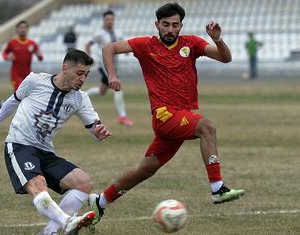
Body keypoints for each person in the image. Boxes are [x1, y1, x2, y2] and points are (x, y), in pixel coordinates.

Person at [87, 2, 245, 231]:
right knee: (207, 127)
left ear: (181, 26)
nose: (170, 29)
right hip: (164, 115)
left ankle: (100, 201)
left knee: (146, 169)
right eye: (166, 25)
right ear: (157, 25)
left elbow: (225, 58)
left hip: (181, 116)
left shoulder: (191, 43)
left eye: (175, 25)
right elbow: (108, 48)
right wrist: (112, 75)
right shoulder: (145, 45)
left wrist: (218, 39)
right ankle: (217, 188)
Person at [0, 49, 111, 235]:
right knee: (38, 184)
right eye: (80, 73)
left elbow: (94, 129)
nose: (83, 79)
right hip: (19, 145)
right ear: (65, 68)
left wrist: (99, 133)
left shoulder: (80, 98)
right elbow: (13, 100)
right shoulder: (35, 81)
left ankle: (49, 231)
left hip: (45, 151)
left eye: (86, 75)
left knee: (83, 183)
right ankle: (67, 222)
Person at [85, 10, 133, 126]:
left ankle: (82, 96)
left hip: (114, 65)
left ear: (114, 20)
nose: (109, 21)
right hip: (104, 65)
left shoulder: (118, 32)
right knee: (118, 87)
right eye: (107, 19)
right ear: (104, 20)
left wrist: (126, 52)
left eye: (111, 19)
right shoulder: (99, 33)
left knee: (102, 91)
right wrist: (89, 58)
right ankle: (122, 116)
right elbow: (88, 44)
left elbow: (122, 44)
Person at [0, 20, 44, 111]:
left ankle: (3, 103)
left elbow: (40, 58)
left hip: (27, 74)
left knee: (25, 95)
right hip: (16, 74)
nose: (23, 29)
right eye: (21, 27)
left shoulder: (32, 43)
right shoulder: (12, 43)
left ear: (27, 29)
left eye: (24, 27)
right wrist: (7, 57)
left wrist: (39, 55)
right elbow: (4, 53)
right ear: (17, 29)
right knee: (19, 94)